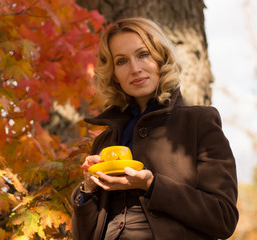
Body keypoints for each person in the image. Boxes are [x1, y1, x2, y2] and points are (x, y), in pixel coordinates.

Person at [71, 17, 239, 240]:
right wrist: (88, 189)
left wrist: (151, 185)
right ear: (113, 74)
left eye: (143, 55)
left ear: (161, 58)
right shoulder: (104, 141)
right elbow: (83, 236)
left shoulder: (199, 122)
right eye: (121, 61)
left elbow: (224, 218)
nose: (135, 69)